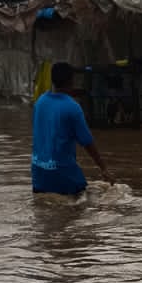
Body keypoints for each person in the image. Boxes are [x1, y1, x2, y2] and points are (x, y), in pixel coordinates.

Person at [31, 61, 113, 196]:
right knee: (89, 207)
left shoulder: (40, 101)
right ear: (71, 80)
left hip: (39, 177)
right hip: (64, 178)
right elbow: (87, 142)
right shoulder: (73, 107)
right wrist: (103, 168)